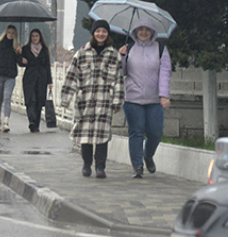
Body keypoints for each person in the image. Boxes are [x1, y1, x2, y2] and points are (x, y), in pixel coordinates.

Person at [60, 19, 124, 178]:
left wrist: (117, 101)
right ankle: (87, 164)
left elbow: (118, 80)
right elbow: (71, 76)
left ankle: (100, 167)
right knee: (85, 136)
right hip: (85, 102)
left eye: (104, 31)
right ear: (93, 33)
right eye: (98, 31)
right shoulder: (82, 53)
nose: (100, 34)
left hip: (104, 102)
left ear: (107, 34)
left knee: (102, 137)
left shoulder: (114, 55)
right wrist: (65, 99)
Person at [119, 18, 172, 178]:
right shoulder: (128, 48)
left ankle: (147, 155)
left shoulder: (160, 49)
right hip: (132, 98)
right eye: (140, 29)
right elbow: (120, 71)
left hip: (154, 99)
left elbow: (165, 73)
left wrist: (164, 96)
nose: (143, 32)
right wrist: (121, 57)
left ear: (152, 32)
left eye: (147, 29)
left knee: (155, 133)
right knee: (136, 131)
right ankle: (137, 167)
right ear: (135, 31)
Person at [0, 25, 22, 132]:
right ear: (6, 33)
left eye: (13, 33)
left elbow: (20, 63)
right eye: (9, 32)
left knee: (7, 98)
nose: (11, 35)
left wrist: (20, 53)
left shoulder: (16, 47)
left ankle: (6, 122)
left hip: (10, 76)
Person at [19, 28, 53, 133]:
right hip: (29, 77)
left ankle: (36, 124)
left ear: (40, 37)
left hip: (41, 77)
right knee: (30, 100)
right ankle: (32, 120)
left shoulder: (44, 50)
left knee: (39, 100)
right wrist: (20, 55)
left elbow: (47, 66)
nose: (34, 38)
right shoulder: (25, 49)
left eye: (36, 36)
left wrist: (50, 81)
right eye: (33, 36)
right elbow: (20, 63)